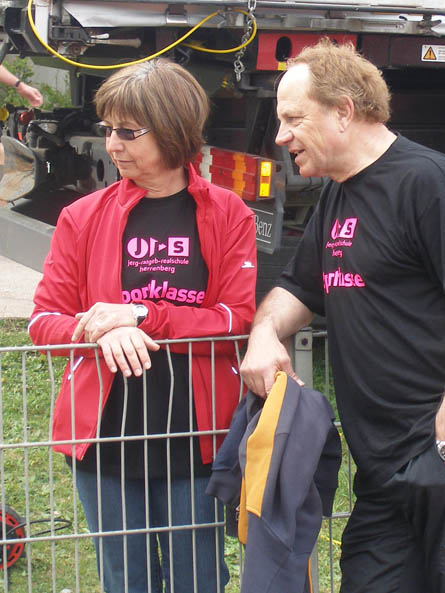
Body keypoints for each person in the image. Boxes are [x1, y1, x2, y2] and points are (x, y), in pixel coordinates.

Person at [240, 38, 445, 593]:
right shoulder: (336, 198)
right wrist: (263, 334)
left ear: (344, 111)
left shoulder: (432, 184)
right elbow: (296, 289)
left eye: (293, 119)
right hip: (383, 472)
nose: (280, 137)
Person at [28, 58, 257, 593]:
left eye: (129, 132)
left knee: (197, 578)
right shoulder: (81, 217)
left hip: (193, 438)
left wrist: (141, 316)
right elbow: (43, 323)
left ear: (174, 131)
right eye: (108, 129)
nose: (113, 144)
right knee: (127, 580)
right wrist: (100, 329)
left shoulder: (229, 214)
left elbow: (234, 320)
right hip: (105, 437)